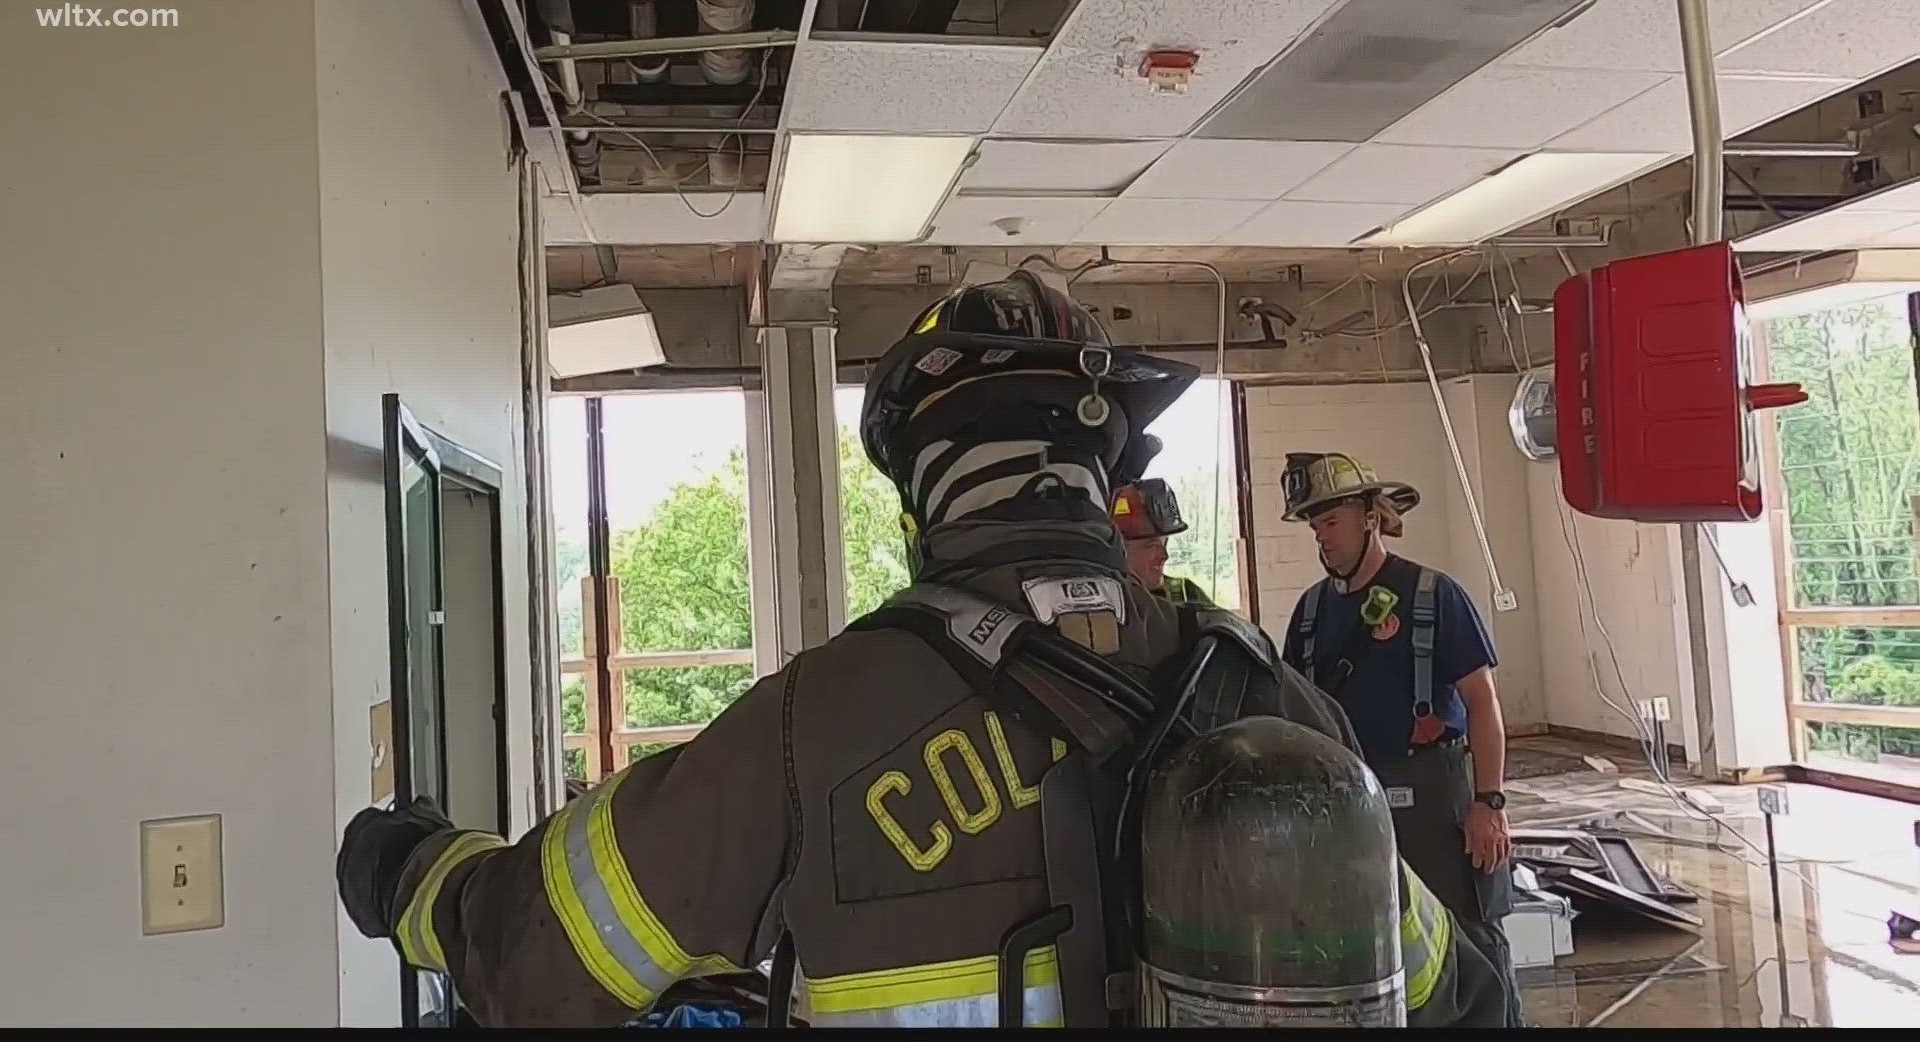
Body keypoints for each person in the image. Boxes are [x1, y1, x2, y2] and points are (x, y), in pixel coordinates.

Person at [334, 271, 1510, 1028]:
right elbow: (1448, 989)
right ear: (1107, 484)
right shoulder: (1262, 688)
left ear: (924, 502)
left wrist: (411, 870)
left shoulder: (821, 717)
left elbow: (541, 960)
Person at [1275, 451, 1525, 1028]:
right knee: (1371, 942)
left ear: (1369, 516)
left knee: (1469, 939)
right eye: (1314, 525)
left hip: (1434, 799)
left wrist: (1489, 803)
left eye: (1330, 521)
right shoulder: (1311, 611)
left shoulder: (1434, 596)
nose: (1321, 537)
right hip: (1348, 805)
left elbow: (1483, 703)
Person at [1111, 478, 1215, 607]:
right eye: (1152, 546)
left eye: (1165, 543)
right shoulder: (1103, 603)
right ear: (1118, 550)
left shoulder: (1186, 594)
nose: (1164, 556)